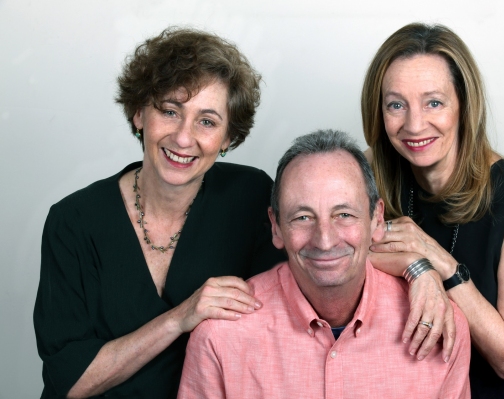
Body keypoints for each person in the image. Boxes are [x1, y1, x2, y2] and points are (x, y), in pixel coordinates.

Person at [33, 27, 287, 398]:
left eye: (207, 121)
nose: (183, 138)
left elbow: (281, 320)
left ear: (228, 138)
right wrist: (180, 318)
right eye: (170, 111)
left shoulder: (251, 198)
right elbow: (70, 380)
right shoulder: (73, 221)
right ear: (139, 114)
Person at [178, 130, 471, 399]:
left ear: (377, 219)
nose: (325, 240)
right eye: (303, 217)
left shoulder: (441, 326)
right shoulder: (220, 338)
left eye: (344, 214)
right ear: (276, 227)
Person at [361, 23, 504, 398]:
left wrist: (439, 262)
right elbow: (335, 252)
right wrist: (416, 269)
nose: (414, 124)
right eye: (396, 105)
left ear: (464, 106)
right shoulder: (371, 171)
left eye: (433, 102)